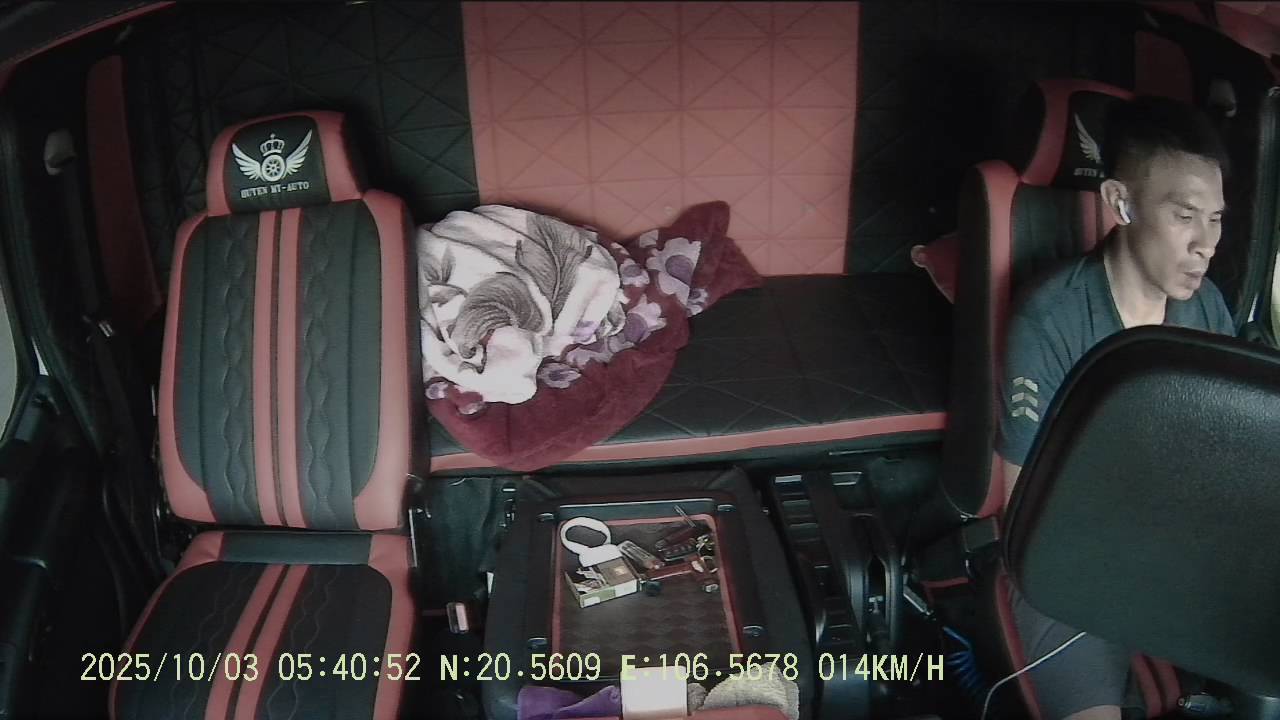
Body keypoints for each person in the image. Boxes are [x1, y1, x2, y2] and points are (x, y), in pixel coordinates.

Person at [999, 96, 1234, 720]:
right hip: (1069, 560)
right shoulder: (1049, 319)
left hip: (1184, 547)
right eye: (1185, 216)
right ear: (1121, 203)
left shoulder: (1208, 309)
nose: (1206, 243)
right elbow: (1025, 512)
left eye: (1215, 218)